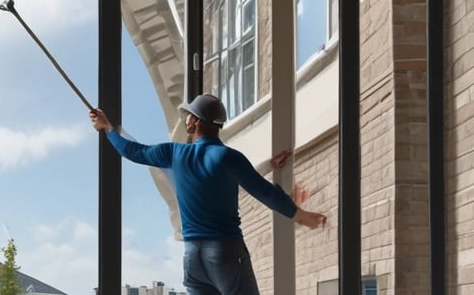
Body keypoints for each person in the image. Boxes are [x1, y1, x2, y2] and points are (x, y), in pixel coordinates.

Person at [89, 93, 327, 295]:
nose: (185, 121)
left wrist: (107, 128)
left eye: (187, 117)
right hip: (224, 253)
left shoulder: (173, 154)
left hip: (193, 257)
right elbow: (264, 192)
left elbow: (132, 151)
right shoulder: (228, 158)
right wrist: (301, 216)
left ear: (193, 121)